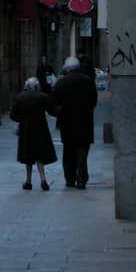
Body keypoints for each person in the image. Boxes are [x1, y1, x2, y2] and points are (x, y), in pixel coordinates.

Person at [51, 56, 98, 189]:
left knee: (68, 152)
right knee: (82, 151)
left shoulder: (61, 83)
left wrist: (59, 112)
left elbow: (53, 103)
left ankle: (70, 179)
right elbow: (94, 101)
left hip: (67, 123)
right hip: (85, 122)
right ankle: (82, 178)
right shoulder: (88, 81)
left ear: (68, 68)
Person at [10, 76, 57, 191]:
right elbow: (52, 111)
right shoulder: (42, 97)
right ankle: (43, 179)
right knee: (39, 156)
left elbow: (13, 115)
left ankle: (28, 181)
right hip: (40, 130)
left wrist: (22, 119)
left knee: (28, 156)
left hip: (26, 131)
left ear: (26, 86)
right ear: (37, 87)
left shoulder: (20, 97)